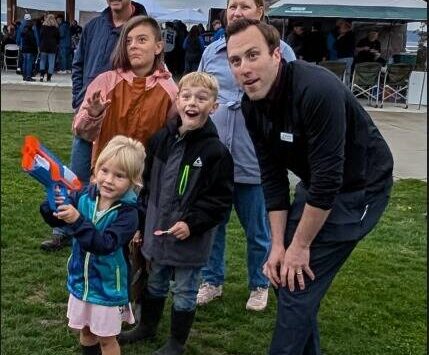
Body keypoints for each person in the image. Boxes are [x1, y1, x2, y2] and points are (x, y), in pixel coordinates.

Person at [226, 18, 393, 354]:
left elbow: (331, 179)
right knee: (282, 273)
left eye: (253, 55)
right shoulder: (250, 105)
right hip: (319, 185)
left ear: (276, 55)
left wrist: (299, 247)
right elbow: (271, 177)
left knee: (296, 284)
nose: (244, 68)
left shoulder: (317, 89)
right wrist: (277, 246)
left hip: (361, 187)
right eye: (235, 60)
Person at [120, 72, 234, 353]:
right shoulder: (160, 140)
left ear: (214, 106)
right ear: (177, 100)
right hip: (156, 235)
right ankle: (147, 326)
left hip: (189, 242)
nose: (192, 102)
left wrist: (192, 224)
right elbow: (145, 188)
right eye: (186, 96)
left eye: (201, 98)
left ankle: (176, 343)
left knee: (184, 290)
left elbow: (220, 201)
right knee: (155, 282)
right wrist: (140, 224)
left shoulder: (215, 152)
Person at [196, 0, 296, 312]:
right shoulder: (212, 52)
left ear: (261, 10)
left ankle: (259, 283)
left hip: (255, 159)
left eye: (245, 5)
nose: (237, 11)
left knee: (259, 230)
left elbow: (289, 99)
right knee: (213, 224)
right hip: (215, 158)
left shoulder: (282, 51)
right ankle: (212, 280)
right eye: (232, 5)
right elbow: (199, 91)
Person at [40, 0, 147, 251]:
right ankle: (63, 227)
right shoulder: (94, 27)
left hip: (121, 120)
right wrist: (80, 100)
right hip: (90, 117)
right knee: (75, 177)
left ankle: (111, 231)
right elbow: (78, 65)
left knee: (115, 176)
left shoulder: (140, 27)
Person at [39, 135, 146, 355]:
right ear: (95, 170)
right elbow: (59, 219)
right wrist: (52, 206)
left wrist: (77, 220)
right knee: (86, 332)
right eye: (104, 171)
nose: (108, 180)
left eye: (119, 176)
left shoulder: (129, 213)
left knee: (107, 340)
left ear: (134, 181)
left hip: (108, 287)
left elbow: (104, 244)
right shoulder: (84, 195)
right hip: (82, 281)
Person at [72, 15, 177, 171]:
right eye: (128, 41)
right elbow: (80, 132)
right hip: (105, 178)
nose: (133, 46)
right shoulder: (105, 82)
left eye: (142, 40)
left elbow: (173, 139)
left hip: (144, 181)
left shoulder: (170, 90)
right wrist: (92, 116)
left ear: (158, 47)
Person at [39, 14, 59, 82]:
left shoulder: (43, 27)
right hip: (52, 47)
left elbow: (40, 36)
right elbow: (58, 38)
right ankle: (49, 77)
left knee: (42, 61)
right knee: (51, 62)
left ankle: (41, 76)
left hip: (44, 46)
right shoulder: (55, 28)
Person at [335, 19, 355, 85]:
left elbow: (336, 47)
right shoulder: (351, 35)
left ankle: (340, 88)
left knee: (339, 74)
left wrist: (339, 38)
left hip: (343, 57)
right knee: (347, 74)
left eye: (341, 27)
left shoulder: (344, 36)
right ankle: (346, 88)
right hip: (350, 57)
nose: (339, 29)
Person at [20, 17, 38, 81]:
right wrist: (36, 47)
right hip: (30, 49)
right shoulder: (30, 31)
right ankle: (28, 76)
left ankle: (24, 76)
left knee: (24, 62)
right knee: (29, 63)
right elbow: (33, 41)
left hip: (24, 48)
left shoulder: (23, 30)